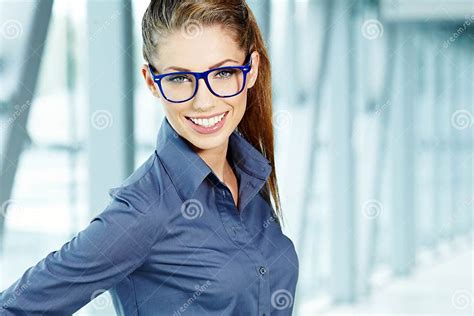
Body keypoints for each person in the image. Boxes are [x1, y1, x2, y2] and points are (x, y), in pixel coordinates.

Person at [0, 0, 299, 315]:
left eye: (223, 73)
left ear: (250, 70)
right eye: (179, 78)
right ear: (151, 81)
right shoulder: (144, 210)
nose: (204, 102)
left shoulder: (250, 174)